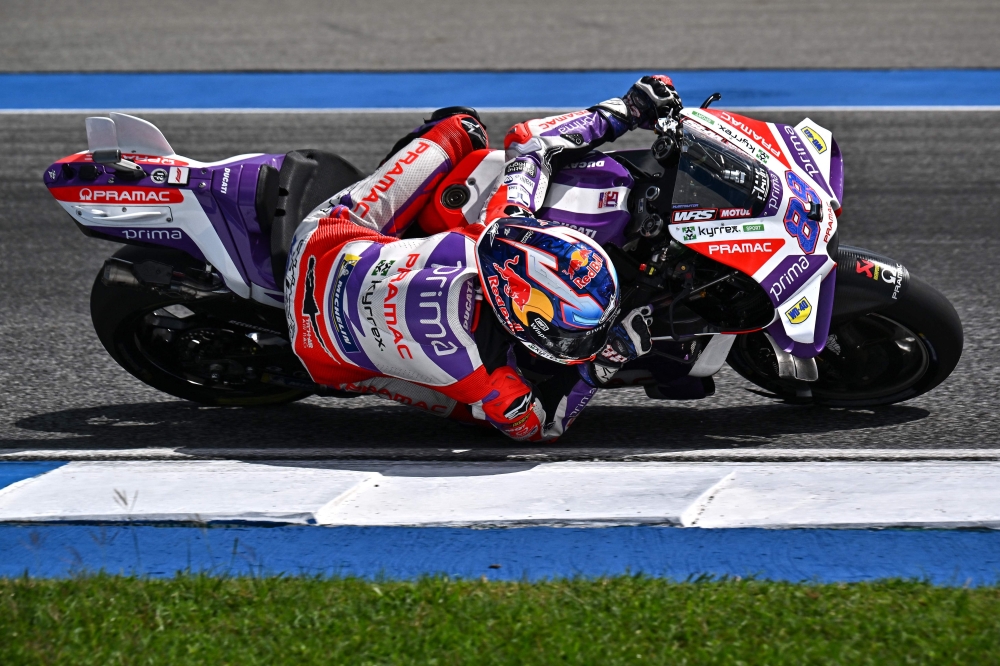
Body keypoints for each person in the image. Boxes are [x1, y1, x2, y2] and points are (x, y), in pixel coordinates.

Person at [284, 76, 683, 441]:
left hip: (321, 249)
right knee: (471, 408)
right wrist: (602, 366)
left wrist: (626, 109)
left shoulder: (497, 230)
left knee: (461, 128)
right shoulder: (487, 373)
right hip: (325, 359)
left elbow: (528, 140)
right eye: (572, 332)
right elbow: (540, 428)